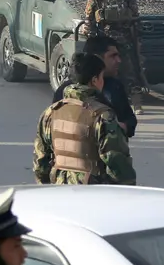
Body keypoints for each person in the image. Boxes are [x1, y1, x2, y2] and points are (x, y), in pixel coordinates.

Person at [34, 52, 135, 185]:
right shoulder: (103, 116)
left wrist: (47, 188)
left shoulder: (50, 113)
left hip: (59, 190)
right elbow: (117, 163)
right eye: (101, 77)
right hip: (92, 194)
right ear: (94, 80)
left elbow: (41, 162)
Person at [84, 0, 146, 113]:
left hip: (124, 37)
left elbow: (135, 14)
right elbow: (89, 16)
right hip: (106, 38)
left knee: (129, 71)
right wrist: (90, 32)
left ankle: (137, 103)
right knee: (102, 72)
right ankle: (100, 102)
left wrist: (136, 30)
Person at [52, 34, 137, 137]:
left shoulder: (115, 87)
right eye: (112, 56)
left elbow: (129, 120)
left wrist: (120, 127)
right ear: (96, 58)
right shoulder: (63, 91)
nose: (118, 60)